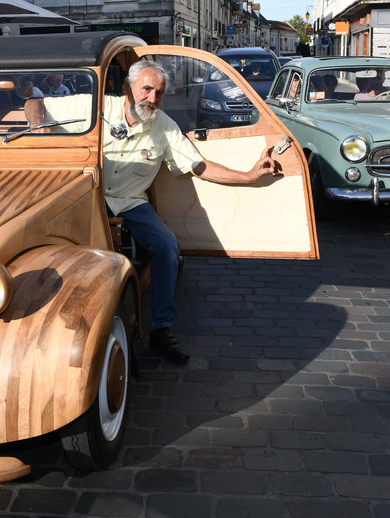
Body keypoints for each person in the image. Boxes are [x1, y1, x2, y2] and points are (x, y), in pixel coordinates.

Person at [25, 59, 276, 363]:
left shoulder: (165, 126)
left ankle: (161, 329)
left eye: (159, 93)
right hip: (85, 195)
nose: (152, 99)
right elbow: (35, 100)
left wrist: (249, 175)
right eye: (146, 89)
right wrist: (38, 134)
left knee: (167, 245)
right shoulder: (96, 108)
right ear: (127, 89)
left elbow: (200, 166)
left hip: (131, 203)